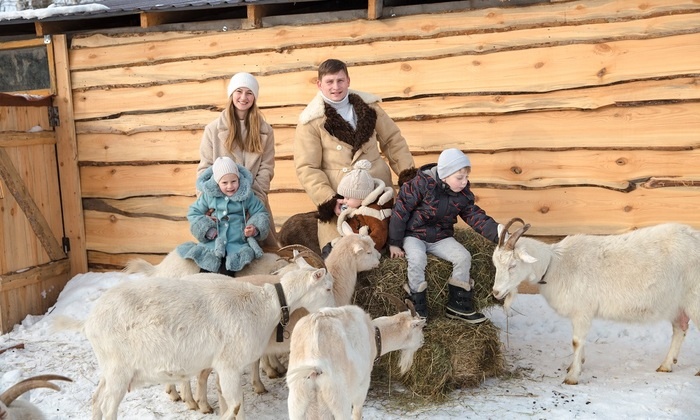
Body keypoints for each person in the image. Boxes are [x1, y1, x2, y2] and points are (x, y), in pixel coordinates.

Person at [294, 58, 414, 250]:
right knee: (343, 256)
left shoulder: (370, 108)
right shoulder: (310, 121)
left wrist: (408, 175)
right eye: (329, 82)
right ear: (319, 85)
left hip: (377, 190)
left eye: (340, 80)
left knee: (385, 247)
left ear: (348, 81)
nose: (336, 87)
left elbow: (393, 141)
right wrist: (328, 199)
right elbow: (307, 167)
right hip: (341, 198)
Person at [388, 148, 502, 324]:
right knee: (417, 259)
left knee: (463, 257)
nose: (464, 182)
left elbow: (475, 216)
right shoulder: (420, 184)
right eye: (459, 178)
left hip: (441, 237)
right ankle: (416, 305)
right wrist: (394, 242)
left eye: (466, 177)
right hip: (415, 235)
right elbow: (400, 211)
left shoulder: (462, 194)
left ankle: (458, 305)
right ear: (444, 176)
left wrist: (499, 234)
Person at [197, 72, 279, 248]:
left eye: (249, 93)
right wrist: (209, 205)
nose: (243, 97)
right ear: (231, 94)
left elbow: (266, 169)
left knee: (263, 258)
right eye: (239, 91)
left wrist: (253, 202)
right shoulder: (212, 130)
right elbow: (205, 169)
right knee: (222, 258)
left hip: (254, 206)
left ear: (255, 97)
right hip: (221, 207)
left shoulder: (266, 131)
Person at [177, 156, 270, 276]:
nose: (230, 186)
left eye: (234, 181)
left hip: (236, 244)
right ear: (217, 182)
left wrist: (254, 228)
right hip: (213, 244)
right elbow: (194, 212)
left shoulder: (246, 196)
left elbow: (260, 212)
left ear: (239, 179)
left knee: (229, 273)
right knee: (206, 272)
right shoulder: (209, 196)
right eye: (224, 183)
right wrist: (207, 228)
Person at [319, 159, 394, 257]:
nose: (344, 200)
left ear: (362, 197)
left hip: (363, 250)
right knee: (329, 248)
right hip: (352, 241)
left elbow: (379, 234)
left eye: (348, 198)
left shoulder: (374, 213)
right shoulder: (356, 207)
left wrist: (364, 250)